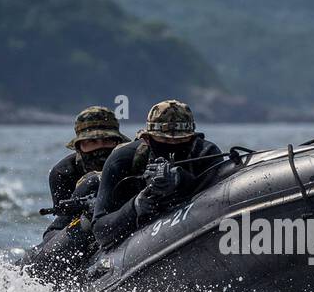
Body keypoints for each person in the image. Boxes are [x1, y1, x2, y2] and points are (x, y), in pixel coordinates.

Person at [92, 100, 223, 249]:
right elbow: (100, 230)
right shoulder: (122, 160)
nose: (173, 145)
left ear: (192, 138)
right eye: (165, 140)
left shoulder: (206, 154)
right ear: (147, 139)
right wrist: (135, 207)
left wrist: (180, 180)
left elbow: (220, 199)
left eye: (181, 140)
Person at [45, 105, 129, 229]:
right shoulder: (63, 173)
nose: (101, 147)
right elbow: (65, 222)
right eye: (92, 142)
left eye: (107, 140)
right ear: (79, 147)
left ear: (118, 142)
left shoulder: (130, 159)